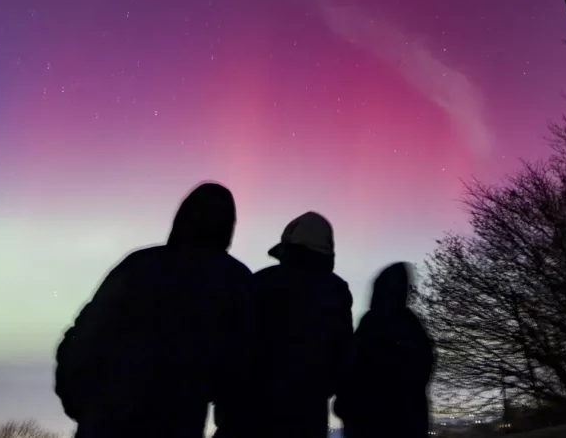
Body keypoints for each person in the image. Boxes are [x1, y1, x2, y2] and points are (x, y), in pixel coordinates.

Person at [54, 182, 256, 438]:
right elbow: (243, 366)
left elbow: (83, 335)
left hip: (107, 418)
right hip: (176, 422)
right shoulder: (236, 280)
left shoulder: (138, 265)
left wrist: (79, 401)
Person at [219, 211, 354, 438]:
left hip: (249, 414)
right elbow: (344, 360)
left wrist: (225, 400)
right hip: (308, 417)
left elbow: (233, 347)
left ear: (288, 249)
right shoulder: (337, 294)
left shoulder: (261, 283)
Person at [334, 262, 435, 438]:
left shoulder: (371, 325)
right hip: (404, 421)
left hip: (370, 420)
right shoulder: (411, 327)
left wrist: (346, 404)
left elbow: (350, 368)